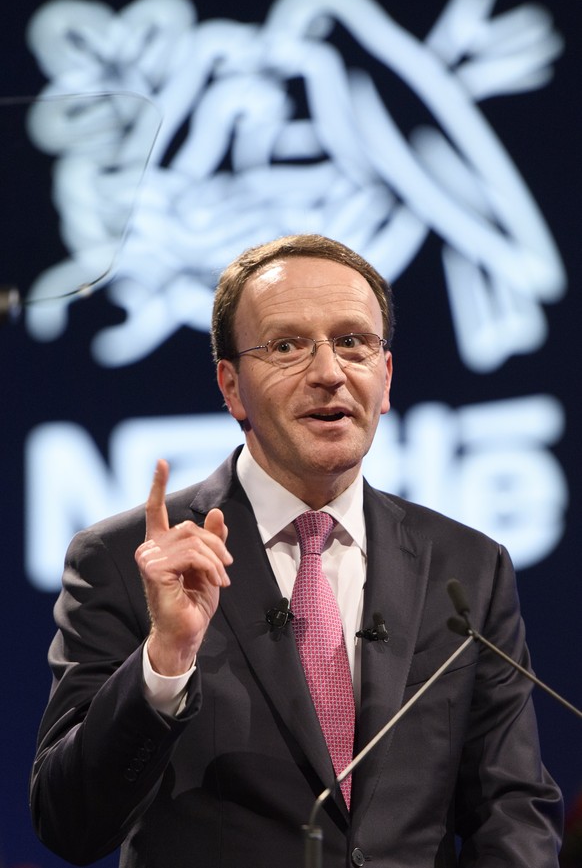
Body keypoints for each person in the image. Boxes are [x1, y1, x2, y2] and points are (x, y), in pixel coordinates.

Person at [30, 234, 563, 867]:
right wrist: (165, 658)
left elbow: (511, 809)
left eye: (353, 342)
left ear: (385, 377)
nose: (329, 372)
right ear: (231, 387)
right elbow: (70, 825)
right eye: (286, 346)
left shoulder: (468, 567)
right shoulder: (125, 561)